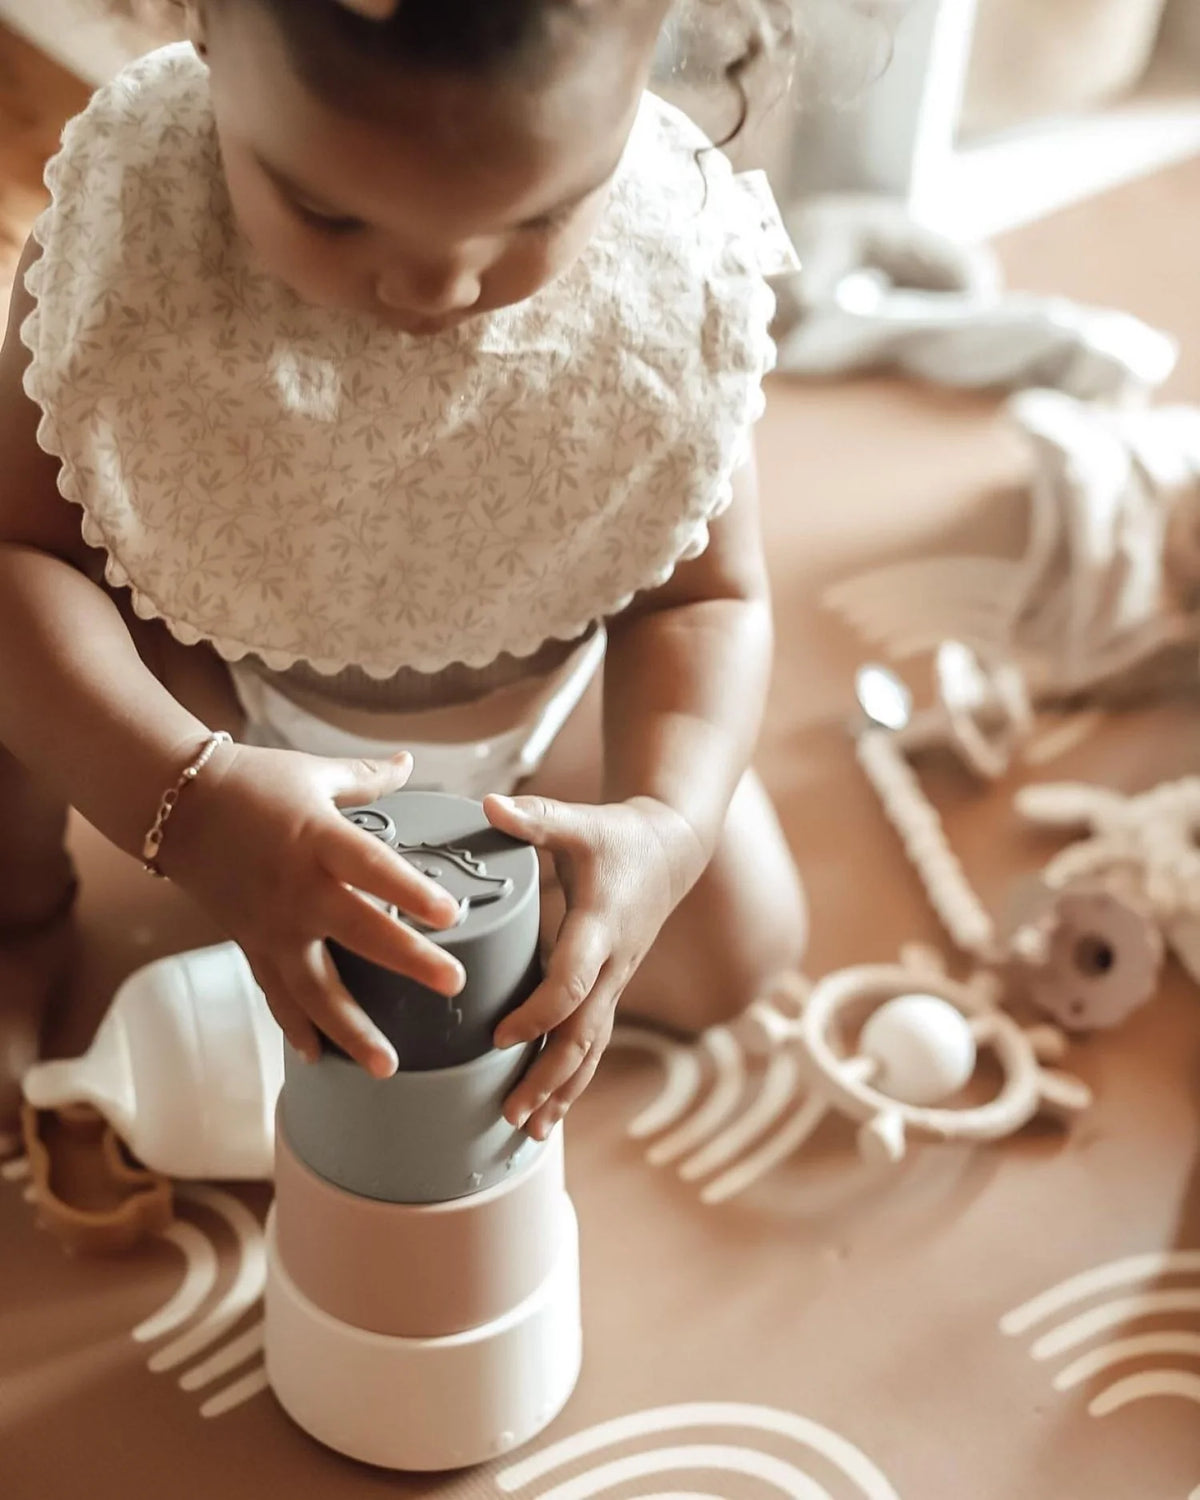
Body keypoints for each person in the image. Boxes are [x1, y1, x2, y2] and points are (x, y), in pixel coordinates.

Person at [0, 0, 806, 1152]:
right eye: (330, 211)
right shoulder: (129, 231)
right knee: (20, 694)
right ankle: (18, 932)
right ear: (206, 27)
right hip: (209, 700)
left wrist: (665, 825)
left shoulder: (671, 263)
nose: (436, 290)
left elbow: (706, 598)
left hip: (547, 723)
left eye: (539, 213)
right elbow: (17, 561)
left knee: (740, 955)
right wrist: (181, 798)